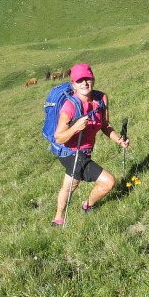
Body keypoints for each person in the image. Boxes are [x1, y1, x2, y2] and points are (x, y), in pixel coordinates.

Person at [51, 63, 129, 226]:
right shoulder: (70, 106)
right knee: (108, 182)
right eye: (80, 80)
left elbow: (105, 125)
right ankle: (87, 206)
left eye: (88, 78)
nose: (85, 83)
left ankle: (58, 218)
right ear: (73, 84)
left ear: (93, 79)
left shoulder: (101, 99)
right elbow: (59, 137)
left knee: (70, 184)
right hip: (69, 151)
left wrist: (118, 140)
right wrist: (75, 128)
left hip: (84, 151)